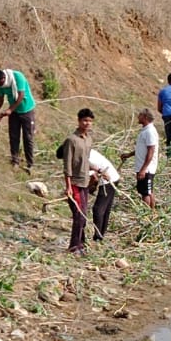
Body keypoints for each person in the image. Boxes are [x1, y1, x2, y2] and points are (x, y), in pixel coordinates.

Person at [57, 108, 94, 254]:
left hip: (85, 181)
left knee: (83, 215)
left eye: (90, 121)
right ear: (79, 121)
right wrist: (68, 186)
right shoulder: (71, 140)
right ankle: (74, 246)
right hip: (75, 183)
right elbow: (67, 164)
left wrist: (95, 173)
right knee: (79, 215)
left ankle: (81, 244)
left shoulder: (89, 139)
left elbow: (86, 160)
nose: (87, 123)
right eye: (85, 120)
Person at [0, 67, 36, 172]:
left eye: (0, 82)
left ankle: (30, 164)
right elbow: (0, 99)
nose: (0, 85)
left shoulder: (17, 77)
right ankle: (15, 161)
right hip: (14, 112)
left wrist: (10, 109)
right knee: (14, 136)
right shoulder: (1, 84)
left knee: (28, 138)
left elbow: (21, 95)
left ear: (4, 77)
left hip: (26, 110)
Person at [86, 145, 121, 243]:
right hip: (114, 178)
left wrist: (89, 189)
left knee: (98, 209)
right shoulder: (88, 151)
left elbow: (94, 178)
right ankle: (101, 235)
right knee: (105, 209)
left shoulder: (86, 158)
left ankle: (98, 237)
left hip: (108, 180)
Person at [134, 108, 160, 211]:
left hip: (146, 169)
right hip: (142, 167)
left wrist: (143, 169)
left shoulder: (150, 131)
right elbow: (143, 148)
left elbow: (151, 150)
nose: (138, 117)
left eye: (140, 115)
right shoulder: (145, 130)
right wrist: (130, 154)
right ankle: (152, 213)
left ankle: (147, 215)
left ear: (145, 117)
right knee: (148, 191)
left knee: (146, 193)